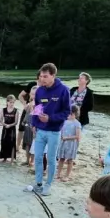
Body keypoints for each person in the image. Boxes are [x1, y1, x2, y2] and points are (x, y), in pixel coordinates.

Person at [32, 63, 72, 197]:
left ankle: (48, 185)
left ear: (53, 75)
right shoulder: (39, 90)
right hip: (40, 130)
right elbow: (37, 108)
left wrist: (50, 118)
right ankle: (38, 183)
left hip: (54, 131)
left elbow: (67, 112)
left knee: (51, 159)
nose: (42, 79)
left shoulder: (63, 90)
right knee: (38, 157)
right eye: (41, 76)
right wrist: (34, 124)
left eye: (45, 76)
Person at [57, 105, 82, 181]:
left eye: (69, 113)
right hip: (63, 143)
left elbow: (77, 136)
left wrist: (66, 138)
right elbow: (61, 130)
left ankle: (67, 176)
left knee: (70, 160)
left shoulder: (77, 123)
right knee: (61, 158)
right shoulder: (65, 121)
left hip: (71, 144)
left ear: (73, 113)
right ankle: (58, 174)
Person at [21, 86, 37, 168]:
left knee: (33, 144)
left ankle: (32, 161)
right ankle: (27, 160)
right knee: (27, 143)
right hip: (27, 126)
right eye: (32, 94)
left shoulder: (38, 105)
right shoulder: (29, 104)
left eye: (35, 94)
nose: (33, 95)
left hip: (34, 127)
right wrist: (24, 121)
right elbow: (27, 114)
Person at [0, 95, 18, 164]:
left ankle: (12, 160)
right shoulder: (3, 110)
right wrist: (5, 125)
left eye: (13, 102)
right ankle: (4, 158)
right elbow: (1, 120)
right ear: (7, 102)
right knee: (4, 142)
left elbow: (16, 122)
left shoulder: (16, 111)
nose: (11, 104)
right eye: (10, 102)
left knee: (12, 144)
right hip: (5, 129)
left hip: (12, 129)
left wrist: (10, 125)